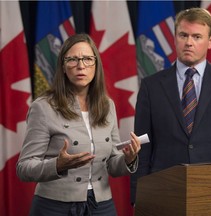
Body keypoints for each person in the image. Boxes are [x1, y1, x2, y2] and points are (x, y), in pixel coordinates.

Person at [130, 7, 211, 204]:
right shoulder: (150, 86)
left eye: (197, 37)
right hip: (165, 189)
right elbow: (142, 148)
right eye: (183, 35)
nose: (189, 42)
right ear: (175, 38)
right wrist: (139, 195)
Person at [16, 33, 141, 216]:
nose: (81, 66)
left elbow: (113, 165)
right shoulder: (43, 107)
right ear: (63, 67)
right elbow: (24, 168)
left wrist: (129, 159)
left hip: (101, 205)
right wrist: (57, 165)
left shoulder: (107, 105)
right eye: (73, 59)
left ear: (96, 65)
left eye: (88, 59)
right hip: (55, 206)